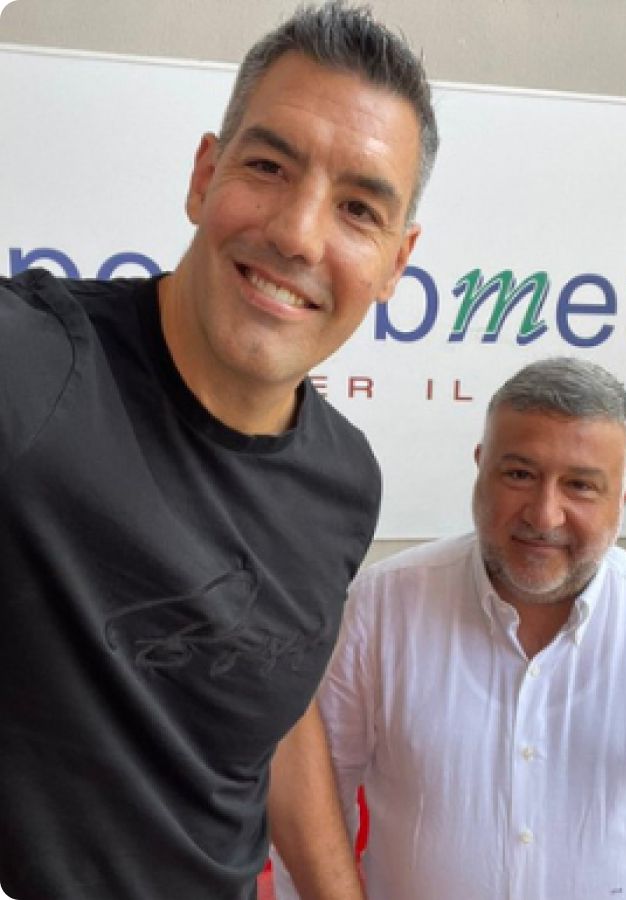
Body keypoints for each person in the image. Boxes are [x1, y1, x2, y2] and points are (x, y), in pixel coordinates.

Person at [0, 3, 438, 898]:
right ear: (205, 176)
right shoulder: (32, 365)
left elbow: (268, 696)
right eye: (269, 167)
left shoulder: (346, 481)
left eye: (358, 209)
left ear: (397, 262)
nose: (297, 233)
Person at [273, 356, 626, 900]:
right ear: (481, 466)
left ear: (625, 493)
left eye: (580, 485)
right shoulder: (378, 607)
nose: (544, 515)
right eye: (519, 475)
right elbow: (308, 813)